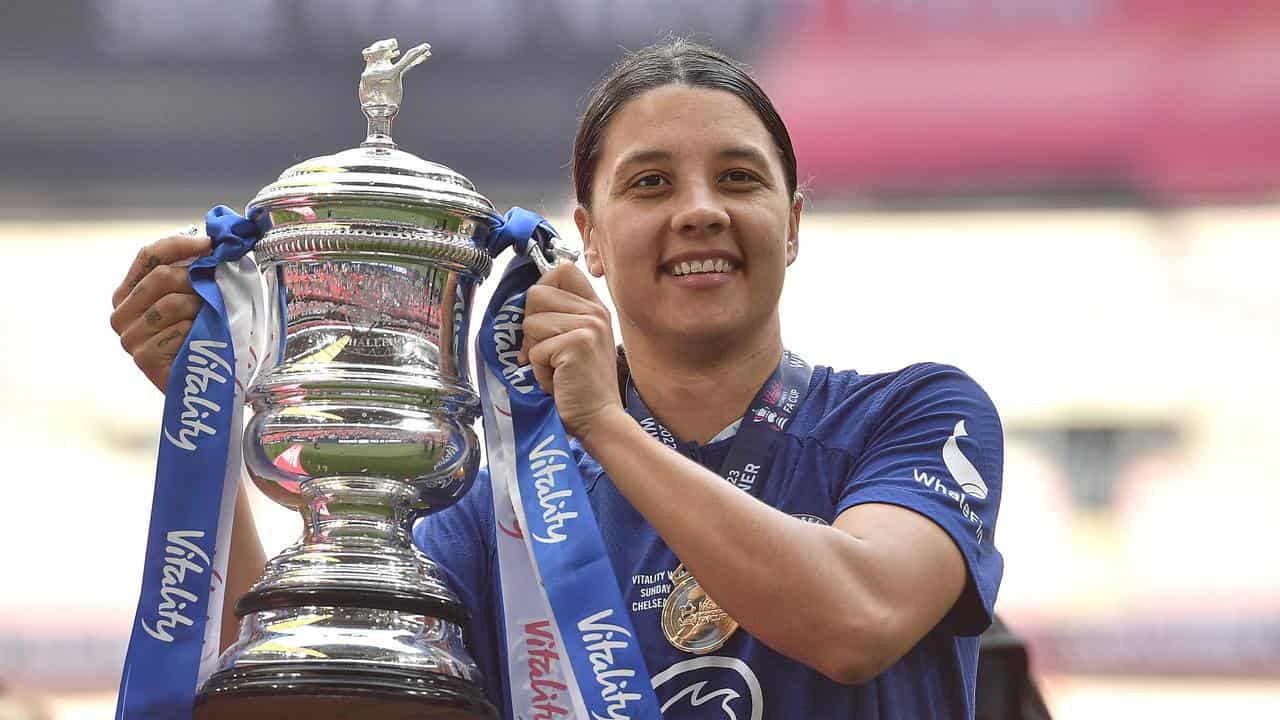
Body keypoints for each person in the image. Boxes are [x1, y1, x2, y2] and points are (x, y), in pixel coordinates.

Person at [110, 39, 1004, 719]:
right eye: (650, 184)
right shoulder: (500, 510)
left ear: (794, 223)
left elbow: (855, 622)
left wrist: (604, 426)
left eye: (739, 179)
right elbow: (320, 681)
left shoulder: (916, 414)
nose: (699, 211)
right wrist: (209, 429)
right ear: (593, 238)